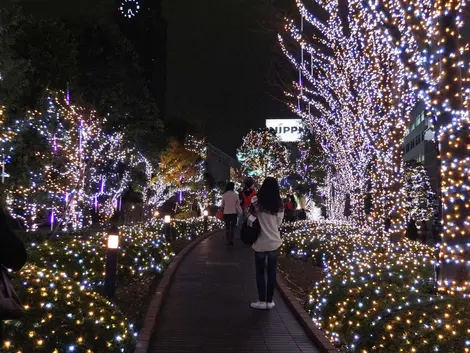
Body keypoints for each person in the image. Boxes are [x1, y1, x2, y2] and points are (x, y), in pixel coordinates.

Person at [249, 177, 284, 310]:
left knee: (259, 272)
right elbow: (278, 223)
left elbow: (250, 220)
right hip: (274, 241)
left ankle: (261, 301)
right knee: (271, 272)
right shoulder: (279, 204)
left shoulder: (256, 202)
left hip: (260, 242)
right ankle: (270, 301)